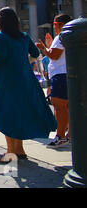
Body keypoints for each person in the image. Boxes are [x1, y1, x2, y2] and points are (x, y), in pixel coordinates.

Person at [0, 7, 57, 162]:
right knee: (20, 112)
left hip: (6, 81)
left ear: (0, 22)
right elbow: (36, 53)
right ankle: (20, 150)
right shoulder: (23, 36)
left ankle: (10, 153)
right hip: (25, 79)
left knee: (7, 113)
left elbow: (0, 57)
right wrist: (23, 62)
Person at [36, 14, 72, 148]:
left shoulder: (61, 36)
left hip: (60, 75)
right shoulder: (68, 36)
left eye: (55, 25)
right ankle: (69, 135)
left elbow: (54, 56)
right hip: (66, 74)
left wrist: (43, 48)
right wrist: (50, 46)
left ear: (60, 25)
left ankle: (61, 135)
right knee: (67, 107)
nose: (54, 27)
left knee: (59, 106)